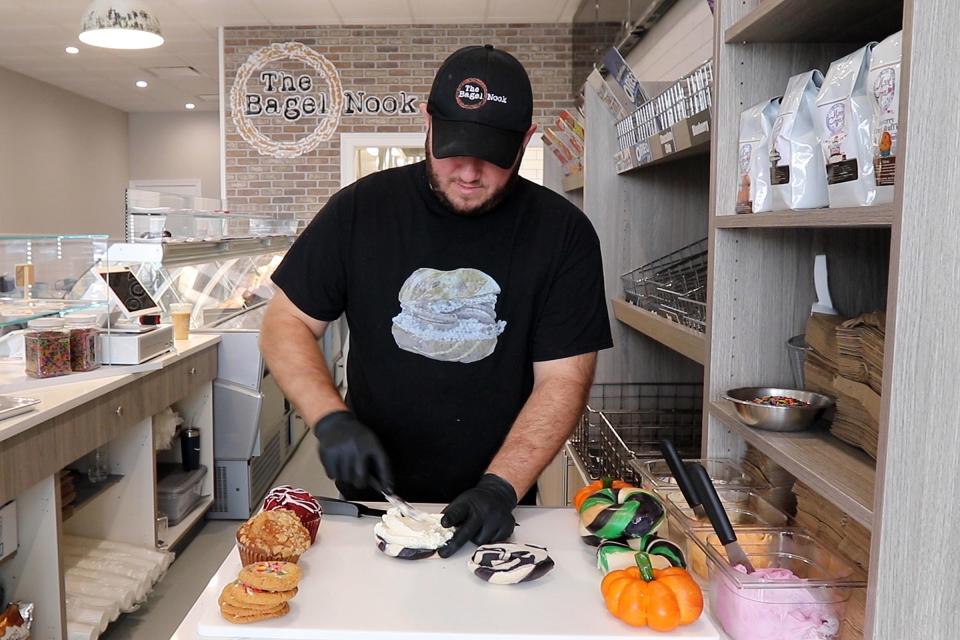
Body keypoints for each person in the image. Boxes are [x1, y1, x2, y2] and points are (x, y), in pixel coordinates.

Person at [260, 44, 612, 557]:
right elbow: (286, 321)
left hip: (497, 499)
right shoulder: (361, 210)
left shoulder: (563, 235)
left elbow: (564, 377)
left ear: (526, 141)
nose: (470, 174)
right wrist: (329, 416)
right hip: (372, 500)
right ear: (427, 123)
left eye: (493, 158)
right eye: (454, 149)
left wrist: (502, 485)